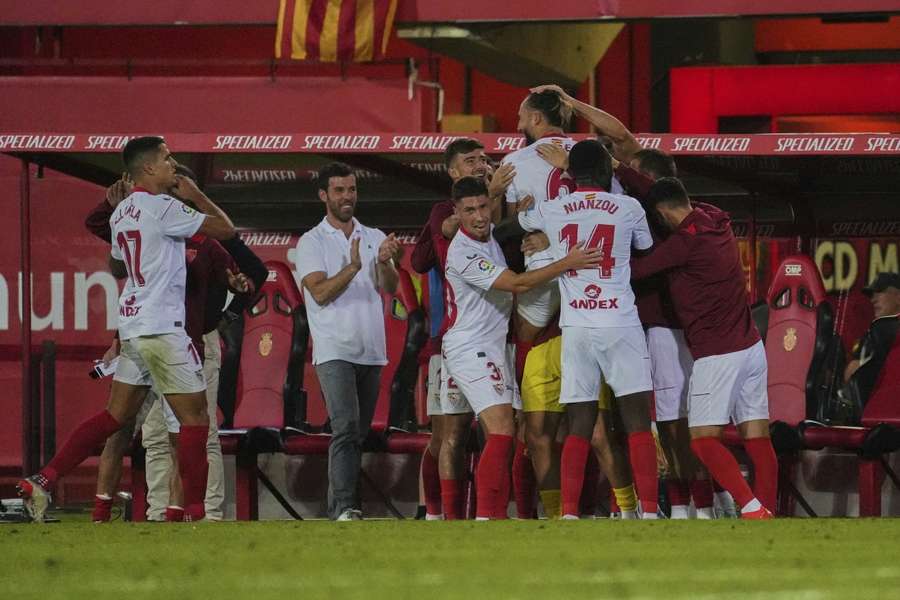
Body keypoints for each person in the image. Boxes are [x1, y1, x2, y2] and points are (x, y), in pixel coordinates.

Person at [18, 136, 236, 522]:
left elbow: (119, 267)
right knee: (196, 420)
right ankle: (198, 516)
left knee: (116, 416)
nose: (173, 165)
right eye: (167, 159)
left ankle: (45, 477)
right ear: (148, 168)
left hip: (134, 325)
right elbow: (226, 229)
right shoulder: (163, 206)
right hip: (164, 328)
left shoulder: (122, 212)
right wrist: (197, 194)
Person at [85, 167, 265, 522]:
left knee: (196, 431)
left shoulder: (205, 241)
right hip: (148, 338)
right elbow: (118, 263)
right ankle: (156, 512)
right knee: (148, 433)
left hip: (193, 342)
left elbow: (247, 271)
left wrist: (227, 312)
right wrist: (114, 202)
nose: (166, 198)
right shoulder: (151, 229)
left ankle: (202, 513)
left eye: (172, 192)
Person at [499, 140, 659, 519]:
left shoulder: (552, 209)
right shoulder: (628, 206)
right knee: (636, 420)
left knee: (580, 422)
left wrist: (538, 232)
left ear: (572, 173)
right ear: (607, 172)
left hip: (576, 327)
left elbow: (507, 228)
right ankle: (649, 511)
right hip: (619, 321)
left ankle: (569, 512)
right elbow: (645, 247)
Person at [441, 176, 602, 520]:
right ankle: (485, 517)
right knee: (500, 428)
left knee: (506, 433)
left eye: (483, 207)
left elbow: (514, 229)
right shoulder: (464, 252)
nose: (479, 216)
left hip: (493, 347)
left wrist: (542, 235)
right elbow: (516, 283)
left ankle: (496, 514)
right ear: (457, 212)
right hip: (470, 347)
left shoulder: (492, 238)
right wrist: (566, 262)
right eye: (469, 211)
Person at [631, 177, 777, 519]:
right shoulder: (714, 218)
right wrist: (622, 169)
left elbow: (638, 270)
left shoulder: (685, 243)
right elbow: (666, 192)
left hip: (719, 354)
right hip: (751, 346)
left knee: (703, 440)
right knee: (757, 437)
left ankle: (753, 509)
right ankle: (769, 513)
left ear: (662, 213)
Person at [410, 138, 512, 520]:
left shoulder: (491, 213)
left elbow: (420, 258)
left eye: (484, 159)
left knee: (497, 429)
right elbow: (441, 241)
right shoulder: (446, 213)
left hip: (495, 337)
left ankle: (491, 512)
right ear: (452, 172)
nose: (481, 165)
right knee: (447, 436)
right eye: (470, 161)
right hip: (448, 340)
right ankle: (439, 515)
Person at [294, 162, 402, 521]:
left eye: (351, 190)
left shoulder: (373, 235)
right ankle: (344, 507)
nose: (347, 197)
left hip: (371, 350)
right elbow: (320, 292)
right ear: (323, 195)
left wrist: (385, 262)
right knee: (345, 427)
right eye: (339, 191)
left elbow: (389, 288)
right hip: (334, 350)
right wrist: (354, 267)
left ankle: (344, 506)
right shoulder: (312, 241)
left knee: (355, 433)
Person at [843, 272, 900, 406]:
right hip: (873, 411)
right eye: (872, 295)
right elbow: (850, 373)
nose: (873, 299)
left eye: (880, 292)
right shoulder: (871, 334)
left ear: (898, 296)